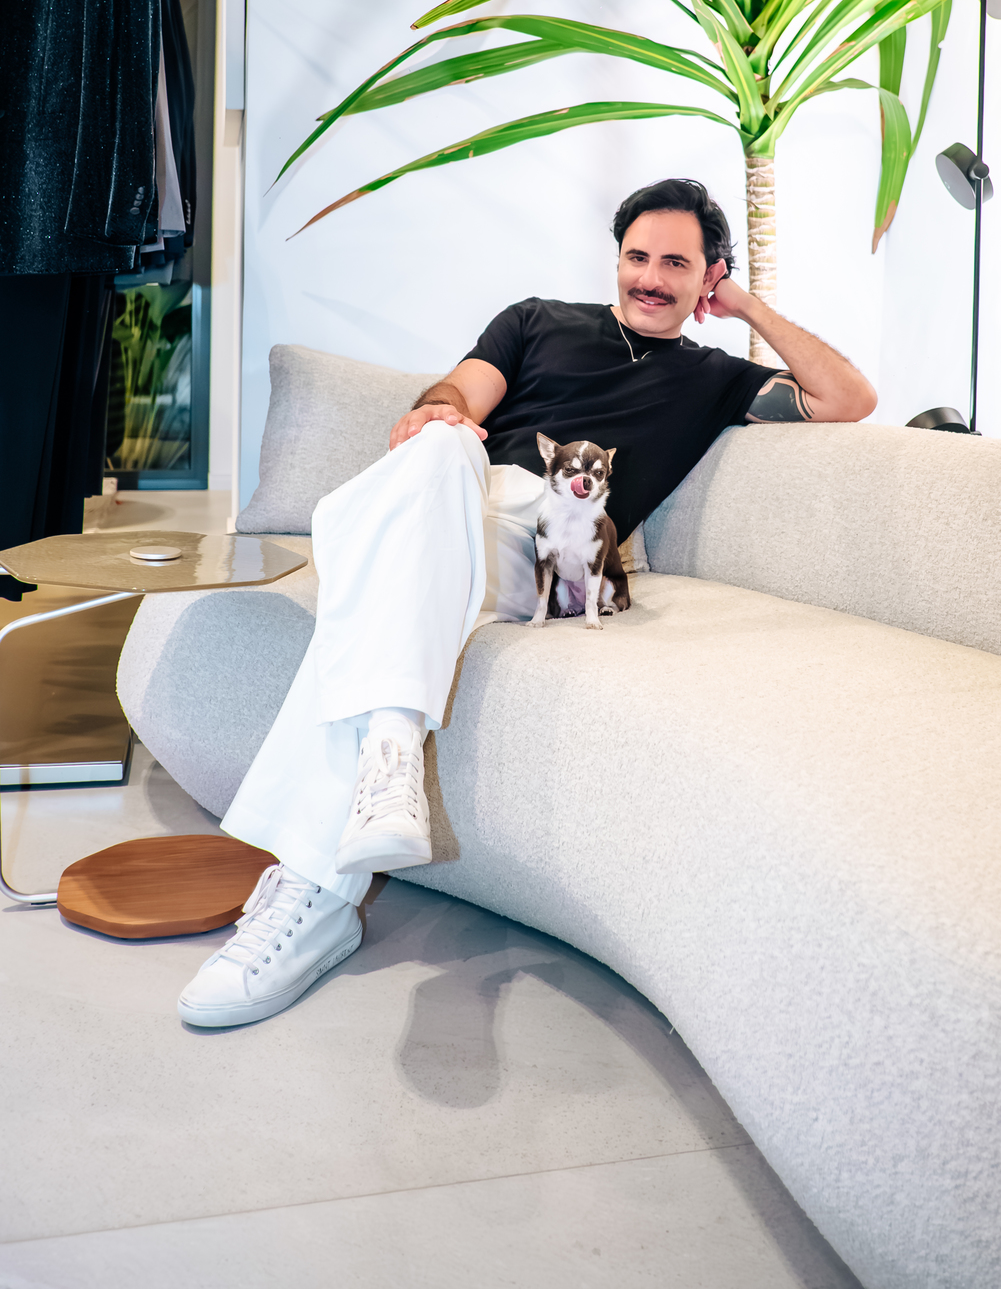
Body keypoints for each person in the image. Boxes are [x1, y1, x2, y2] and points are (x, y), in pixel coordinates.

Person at [177, 178, 876, 1027]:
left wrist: (748, 307)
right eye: (637, 257)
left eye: (676, 264)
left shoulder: (716, 378)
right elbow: (455, 394)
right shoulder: (536, 321)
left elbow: (848, 399)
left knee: (373, 553)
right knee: (437, 452)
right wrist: (437, 417)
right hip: (457, 513)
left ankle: (315, 882)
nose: (650, 278)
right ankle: (375, 782)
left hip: (553, 550)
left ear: (709, 277)